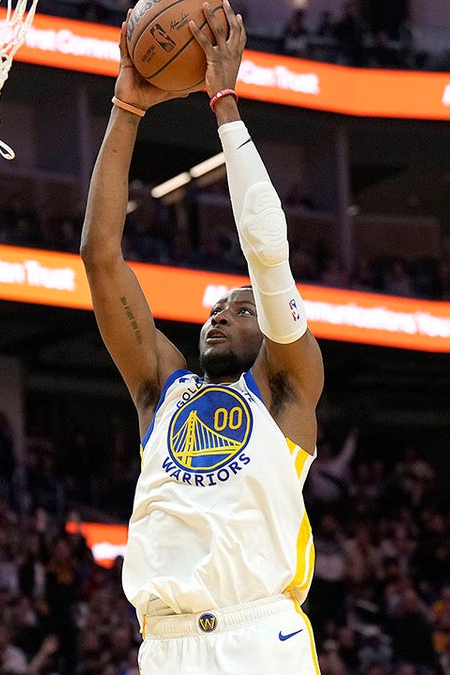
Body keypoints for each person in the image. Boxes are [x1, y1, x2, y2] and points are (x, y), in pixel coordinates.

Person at [79, 2, 324, 672]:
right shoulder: (163, 389)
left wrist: (224, 102)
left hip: (257, 634)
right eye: (216, 308)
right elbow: (100, 255)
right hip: (164, 645)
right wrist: (127, 106)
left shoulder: (286, 389)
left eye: (241, 309)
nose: (221, 314)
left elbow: (268, 256)